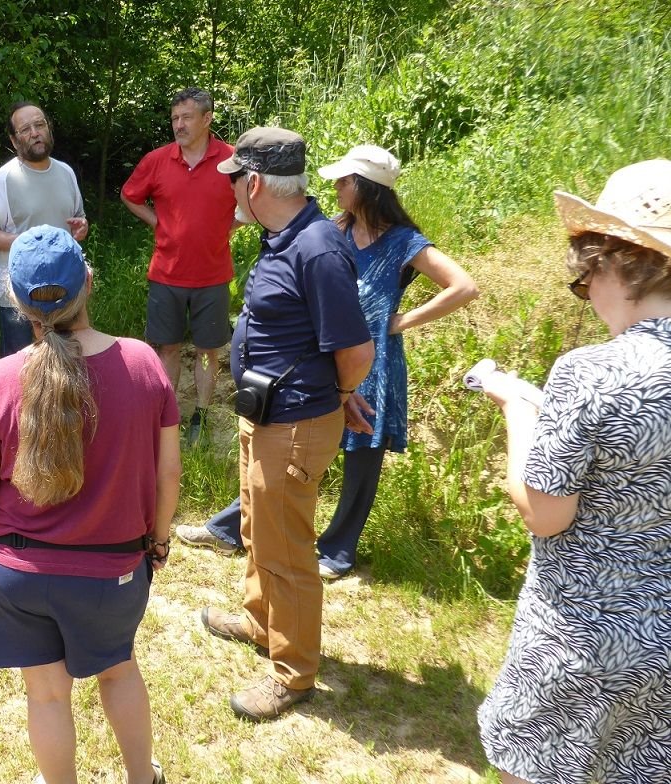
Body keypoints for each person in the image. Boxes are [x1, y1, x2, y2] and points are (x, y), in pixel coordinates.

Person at [177, 145, 479, 580]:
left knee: (361, 456)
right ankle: (230, 529)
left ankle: (338, 551)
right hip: (320, 354)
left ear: (367, 187)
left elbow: (463, 286)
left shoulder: (402, 241)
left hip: (370, 361)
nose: (335, 187)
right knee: (285, 456)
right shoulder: (332, 229)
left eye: (344, 180)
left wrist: (397, 322)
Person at [0, 225, 181, 783]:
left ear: (17, 300)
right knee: (119, 672)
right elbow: (168, 471)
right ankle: (140, 778)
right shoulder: (144, 364)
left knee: (47, 696)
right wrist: (158, 541)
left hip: (15, 575)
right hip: (112, 573)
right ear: (88, 282)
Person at [476, 159, 671, 783]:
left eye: (585, 271)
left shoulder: (591, 373)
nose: (585, 288)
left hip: (581, 639)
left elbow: (545, 512)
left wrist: (514, 407)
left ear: (619, 259)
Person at [199, 128, 374, 721]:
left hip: (295, 423)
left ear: (253, 184)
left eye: (232, 185)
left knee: (289, 548)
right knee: (256, 525)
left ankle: (293, 672)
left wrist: (339, 394)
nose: (230, 197)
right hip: (267, 415)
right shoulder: (284, 237)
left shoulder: (318, 249)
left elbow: (357, 350)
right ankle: (259, 621)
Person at [121, 87, 238, 444]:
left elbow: (253, 198)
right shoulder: (157, 160)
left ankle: (200, 416)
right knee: (166, 347)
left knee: (208, 350)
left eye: (187, 117)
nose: (179, 125)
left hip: (212, 275)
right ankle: (166, 414)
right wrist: (158, 222)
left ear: (207, 119)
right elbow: (130, 195)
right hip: (166, 274)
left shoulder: (232, 160)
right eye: (174, 118)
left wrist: (231, 225)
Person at [0, 102, 89, 357]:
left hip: (65, 293)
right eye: (26, 129)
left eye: (40, 125)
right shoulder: (2, 180)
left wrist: (81, 227)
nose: (35, 132)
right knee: (21, 372)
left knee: (67, 365)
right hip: (21, 298)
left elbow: (78, 219)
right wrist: (31, 243)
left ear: (49, 129)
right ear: (14, 141)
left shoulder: (66, 172)